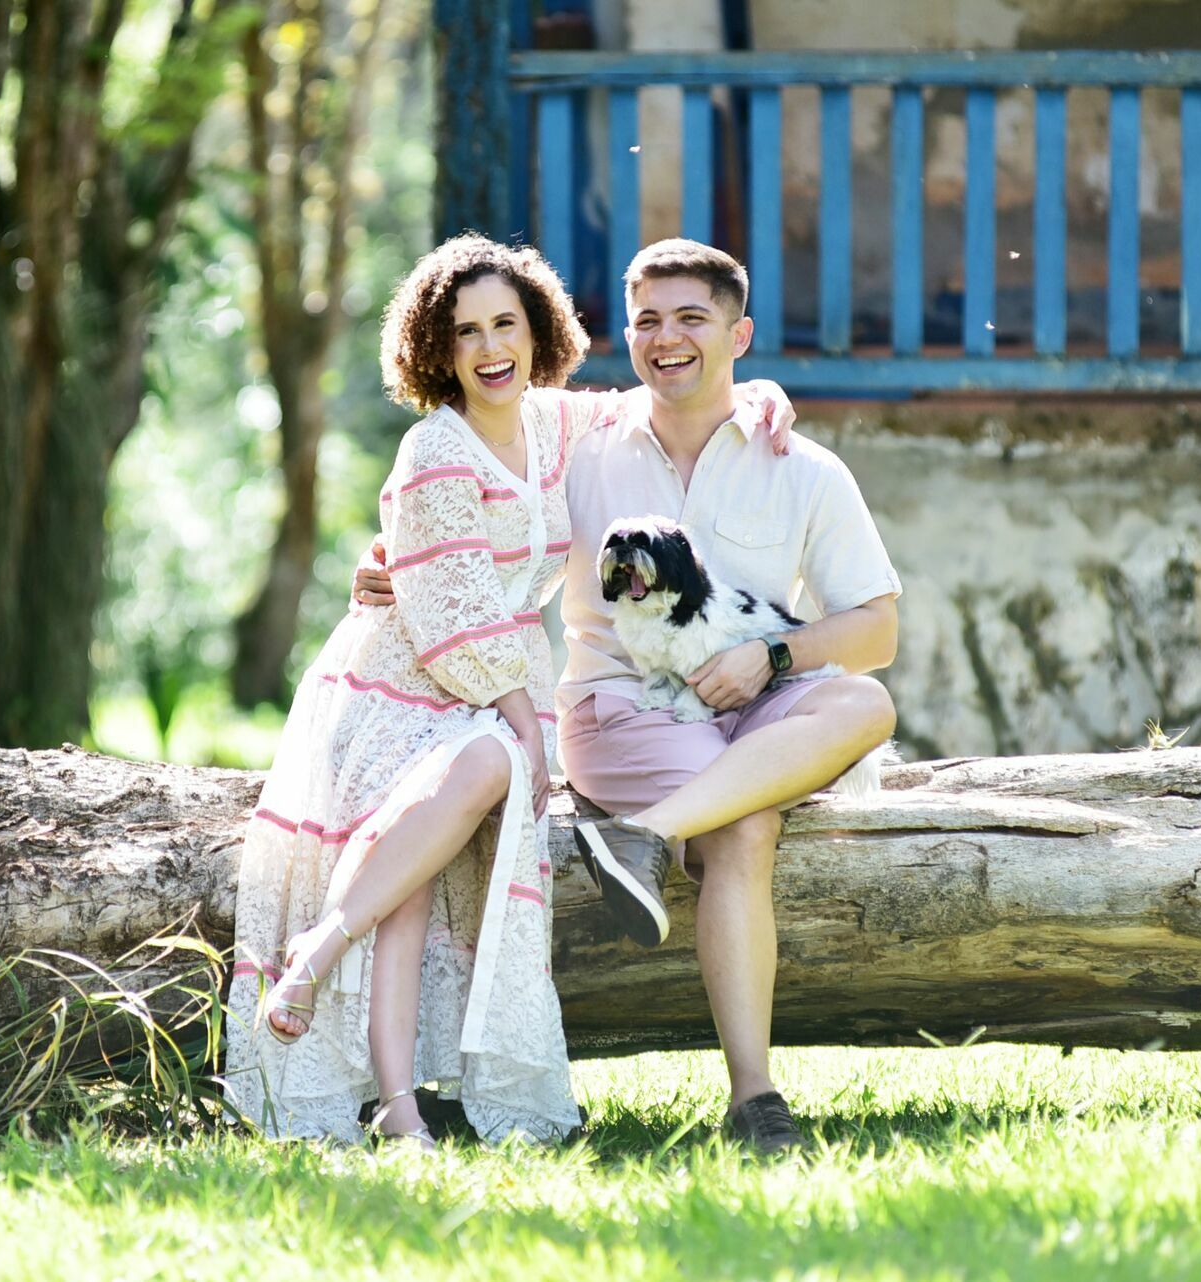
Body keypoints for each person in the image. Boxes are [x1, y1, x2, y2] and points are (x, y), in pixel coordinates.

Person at [221, 235, 788, 1148]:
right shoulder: (432, 450)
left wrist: (755, 391)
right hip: (400, 685)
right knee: (478, 774)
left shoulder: (551, 425)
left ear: (536, 334)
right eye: (466, 332)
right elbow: (452, 621)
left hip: (488, 689)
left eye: (505, 326)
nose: (490, 350)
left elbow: (653, 397)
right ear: (436, 350)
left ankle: (396, 1100)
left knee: (423, 858)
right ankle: (330, 966)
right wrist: (527, 723)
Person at [357, 238, 900, 1156]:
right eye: (647, 320)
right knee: (742, 825)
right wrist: (393, 564)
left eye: (692, 319)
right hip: (624, 710)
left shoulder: (801, 465)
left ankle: (644, 838)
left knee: (866, 706)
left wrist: (774, 656)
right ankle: (757, 1099)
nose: (666, 339)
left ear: (741, 334)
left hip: (755, 704)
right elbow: (466, 490)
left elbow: (876, 632)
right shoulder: (577, 445)